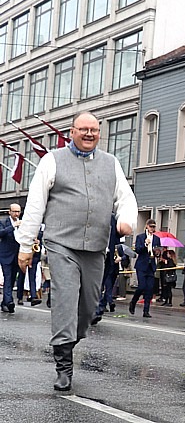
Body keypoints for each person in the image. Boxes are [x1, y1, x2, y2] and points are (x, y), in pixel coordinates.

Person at [15, 112, 136, 391]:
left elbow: (126, 198)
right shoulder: (52, 161)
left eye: (94, 130)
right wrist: (25, 245)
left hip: (95, 246)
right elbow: (35, 204)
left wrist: (126, 219)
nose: (89, 134)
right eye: (83, 129)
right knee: (66, 299)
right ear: (72, 132)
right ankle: (63, 364)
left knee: (88, 306)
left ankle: (70, 339)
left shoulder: (111, 163)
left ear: (99, 133)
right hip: (61, 243)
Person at [92, 215, 123, 325]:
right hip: (96, 254)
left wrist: (118, 255)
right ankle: (95, 310)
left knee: (104, 284)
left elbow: (118, 237)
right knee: (96, 284)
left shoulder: (113, 218)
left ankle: (99, 308)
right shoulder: (95, 215)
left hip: (109, 256)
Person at [130, 219, 161, 318]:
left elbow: (159, 251)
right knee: (141, 286)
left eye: (154, 227)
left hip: (151, 265)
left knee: (149, 289)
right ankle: (133, 302)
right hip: (142, 265)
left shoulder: (156, 238)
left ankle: (146, 311)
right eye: (151, 226)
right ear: (147, 226)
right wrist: (145, 244)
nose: (152, 228)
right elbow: (138, 250)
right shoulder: (140, 237)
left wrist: (157, 253)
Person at [0, 203, 23, 313]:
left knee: (13, 279)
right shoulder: (4, 222)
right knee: (8, 278)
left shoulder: (23, 223)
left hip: (17, 256)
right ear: (9, 212)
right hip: (5, 255)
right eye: (14, 211)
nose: (16, 213)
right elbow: (1, 233)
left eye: (18, 211)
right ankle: (9, 302)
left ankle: (4, 302)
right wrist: (13, 226)